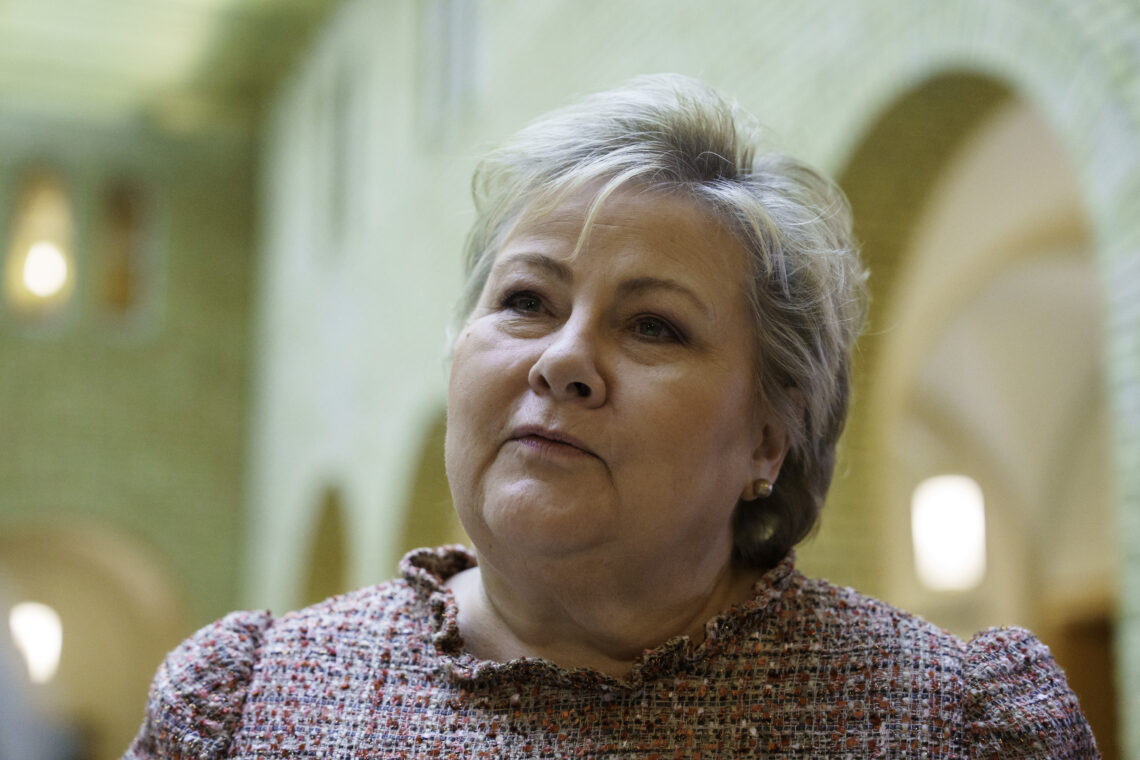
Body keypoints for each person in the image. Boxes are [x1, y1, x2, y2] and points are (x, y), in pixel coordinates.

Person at [124, 74, 1099, 758]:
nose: (563, 360)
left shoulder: (951, 726)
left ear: (769, 437)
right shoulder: (247, 708)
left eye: (653, 326)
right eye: (526, 301)